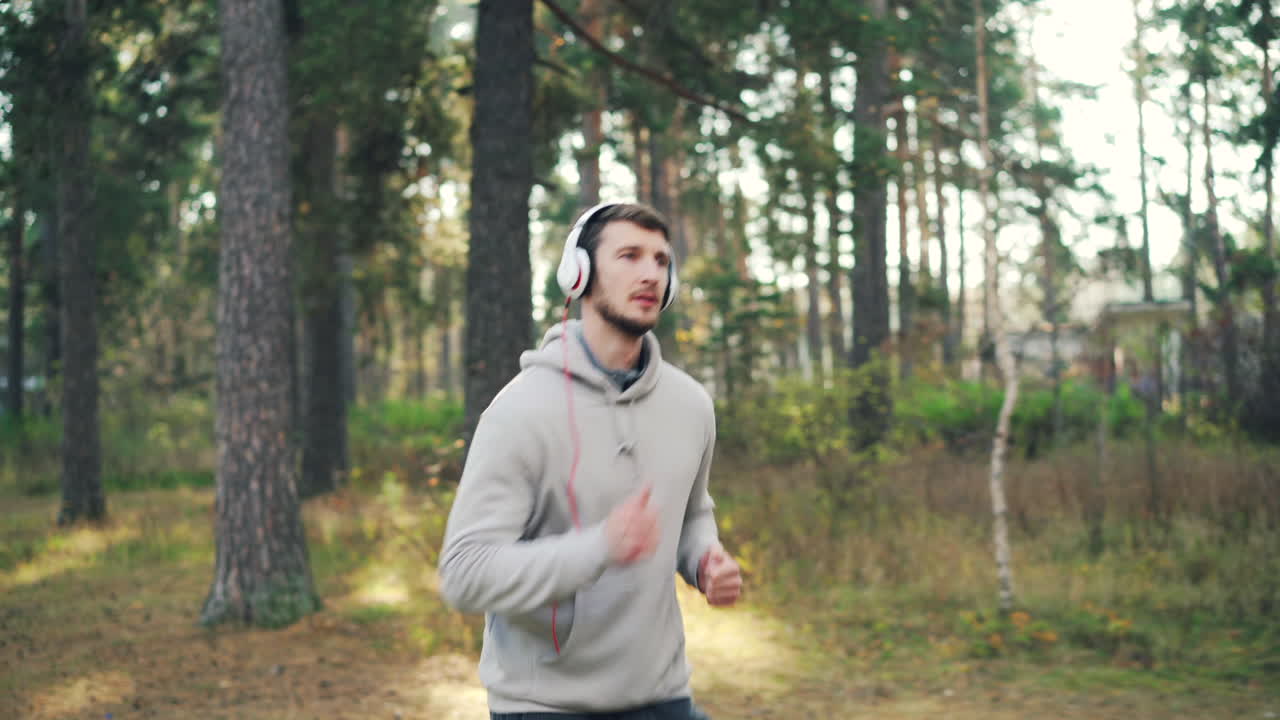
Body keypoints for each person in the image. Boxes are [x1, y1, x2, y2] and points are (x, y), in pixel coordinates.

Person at [438, 202, 742, 719]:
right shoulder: (519, 412)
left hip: (663, 694)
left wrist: (703, 559)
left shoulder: (690, 405)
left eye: (661, 261)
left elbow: (690, 513)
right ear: (578, 274)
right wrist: (599, 548)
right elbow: (465, 574)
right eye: (629, 255)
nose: (650, 273)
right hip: (547, 706)